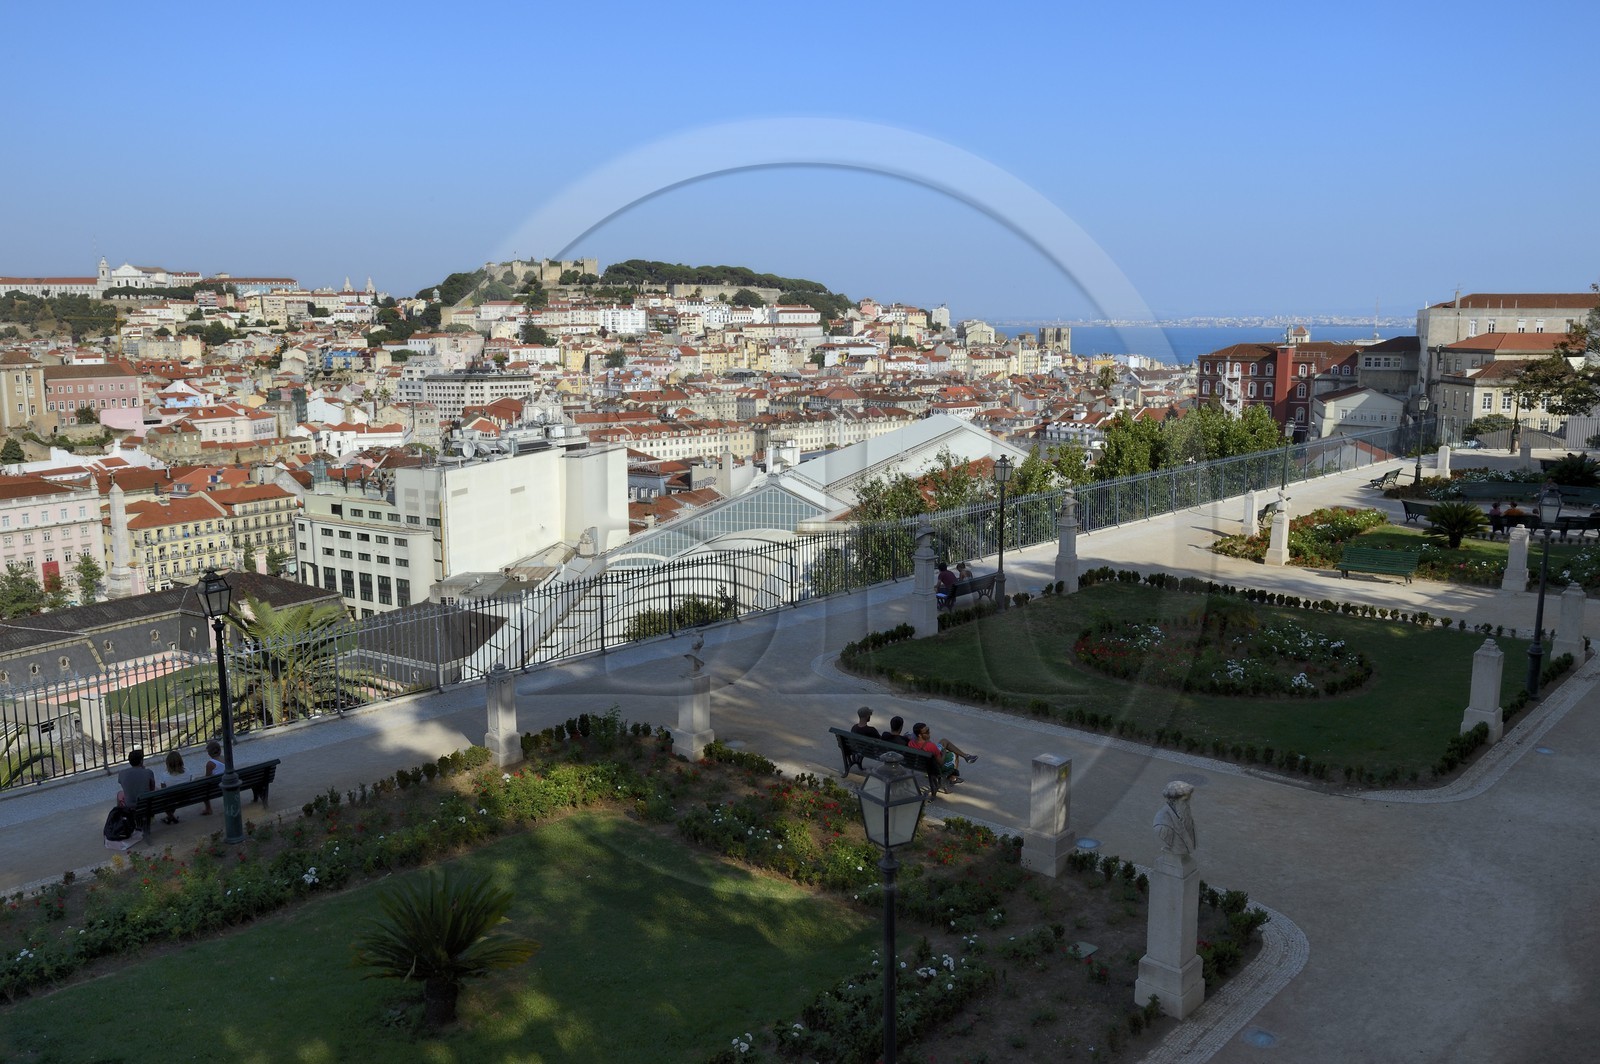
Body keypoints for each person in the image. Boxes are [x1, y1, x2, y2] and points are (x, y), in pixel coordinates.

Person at [907, 721, 978, 784]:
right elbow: (941, 762)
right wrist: (944, 751)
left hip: (922, 764)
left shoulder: (911, 743)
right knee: (955, 753)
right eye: (927, 732)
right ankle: (953, 778)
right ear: (919, 735)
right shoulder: (931, 746)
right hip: (934, 767)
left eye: (928, 730)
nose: (929, 732)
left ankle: (966, 756)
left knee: (944, 741)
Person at [1153, 781, 1198, 855]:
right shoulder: (1162, 824)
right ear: (1173, 801)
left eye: (1189, 799)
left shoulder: (1185, 814)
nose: (1188, 804)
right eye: (1185, 800)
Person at [158, 750, 191, 824]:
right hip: (186, 797)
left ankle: (171, 817)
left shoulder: (165, 775)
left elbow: (163, 791)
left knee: (164, 799)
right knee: (173, 797)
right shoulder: (187, 771)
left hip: (172, 800)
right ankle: (170, 817)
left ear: (168, 763)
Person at [200, 740, 225, 815]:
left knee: (202, 787)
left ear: (209, 753)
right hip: (227, 782)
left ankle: (208, 808)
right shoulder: (225, 758)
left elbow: (207, 778)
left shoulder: (210, 764)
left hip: (217, 787)